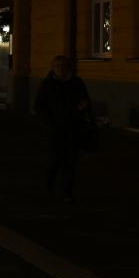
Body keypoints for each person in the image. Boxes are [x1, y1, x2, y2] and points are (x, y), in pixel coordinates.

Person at [34, 55, 92, 203]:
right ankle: (49, 185)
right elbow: (39, 106)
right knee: (54, 161)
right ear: (53, 68)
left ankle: (66, 192)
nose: (60, 68)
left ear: (69, 67)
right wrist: (49, 123)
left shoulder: (76, 83)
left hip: (73, 130)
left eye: (63, 65)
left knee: (70, 163)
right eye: (57, 66)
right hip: (55, 131)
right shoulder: (47, 84)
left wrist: (83, 107)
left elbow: (85, 100)